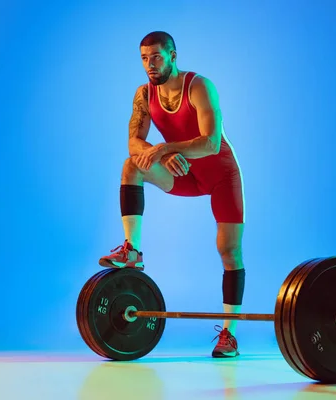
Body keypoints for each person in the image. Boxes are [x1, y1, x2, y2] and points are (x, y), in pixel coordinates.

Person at [98, 31, 246, 358]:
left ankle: (229, 334)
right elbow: (134, 143)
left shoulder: (199, 86)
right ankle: (132, 250)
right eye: (144, 58)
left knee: (228, 251)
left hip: (221, 176)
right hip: (184, 174)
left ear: (173, 56)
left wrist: (165, 148)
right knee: (131, 166)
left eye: (156, 57)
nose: (150, 64)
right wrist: (161, 154)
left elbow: (210, 142)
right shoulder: (143, 94)